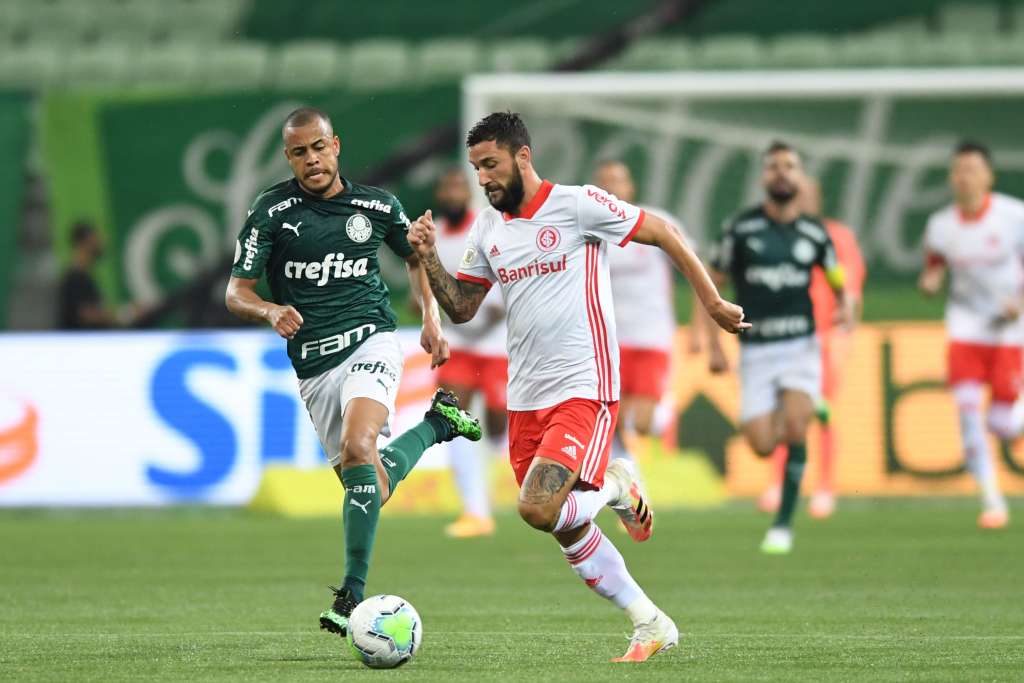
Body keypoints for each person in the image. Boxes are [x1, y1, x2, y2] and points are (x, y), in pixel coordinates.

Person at [408, 112, 748, 662]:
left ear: (522, 156)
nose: (483, 178)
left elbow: (663, 232)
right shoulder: (488, 228)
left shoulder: (578, 204)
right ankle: (650, 621)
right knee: (562, 526)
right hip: (526, 396)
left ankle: (615, 486)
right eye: (476, 169)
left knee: (538, 509)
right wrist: (427, 256)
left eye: (491, 165)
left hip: (584, 386)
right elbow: (464, 307)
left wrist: (711, 303)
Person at [224, 106, 483, 638]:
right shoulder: (271, 212)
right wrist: (269, 310)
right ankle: (438, 424)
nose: (312, 160)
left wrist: (430, 318)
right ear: (288, 157)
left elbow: (414, 255)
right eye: (299, 152)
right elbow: (236, 291)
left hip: (371, 339)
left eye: (319, 147)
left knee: (359, 447)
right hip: (314, 365)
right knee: (369, 485)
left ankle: (351, 593)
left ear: (335, 145)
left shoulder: (376, 205)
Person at [707, 141, 853, 555]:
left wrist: (845, 305)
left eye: (790, 166)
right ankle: (809, 404)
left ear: (800, 177)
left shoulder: (815, 233)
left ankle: (783, 526)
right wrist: (713, 344)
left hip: (800, 345)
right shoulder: (740, 229)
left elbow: (837, 278)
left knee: (794, 429)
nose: (782, 173)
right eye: (774, 166)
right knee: (762, 445)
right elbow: (712, 285)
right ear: (763, 177)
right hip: (756, 350)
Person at [919, 140, 1024, 530]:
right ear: (951, 177)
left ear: (988, 176)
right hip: (966, 324)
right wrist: (930, 282)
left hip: (1008, 328)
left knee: (1001, 424)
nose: (965, 177)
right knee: (966, 411)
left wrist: (1019, 303)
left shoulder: (1014, 216)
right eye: (959, 170)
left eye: (973, 170)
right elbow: (934, 267)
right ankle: (992, 500)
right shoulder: (940, 225)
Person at [757, 176, 866, 519]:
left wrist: (845, 334)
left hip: (822, 339)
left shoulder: (837, 237)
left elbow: (851, 289)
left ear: (817, 199)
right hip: (783, 336)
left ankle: (825, 486)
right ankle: (779, 483)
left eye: (806, 195)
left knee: (823, 412)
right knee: (783, 410)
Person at [592, 160, 703, 460]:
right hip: (608, 342)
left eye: (617, 180)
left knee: (640, 423)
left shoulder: (655, 223)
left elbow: (695, 270)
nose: (610, 187)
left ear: (630, 187)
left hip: (652, 337)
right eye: (603, 181)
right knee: (608, 418)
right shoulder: (589, 233)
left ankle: (662, 411)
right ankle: (626, 479)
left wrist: (698, 328)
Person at [431, 167, 509, 538]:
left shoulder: (486, 228)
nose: (452, 193)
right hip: (458, 344)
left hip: (497, 344)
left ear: (468, 193)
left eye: (458, 187)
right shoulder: (435, 236)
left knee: (498, 422)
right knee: (452, 417)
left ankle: (496, 475)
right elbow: (427, 284)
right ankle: (475, 511)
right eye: (446, 188)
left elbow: (508, 278)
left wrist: (490, 313)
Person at [56, 222, 118, 329]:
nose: (101, 243)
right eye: (95, 239)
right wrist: (122, 316)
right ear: (83, 243)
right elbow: (85, 314)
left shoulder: (84, 275)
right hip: (80, 338)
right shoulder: (74, 278)